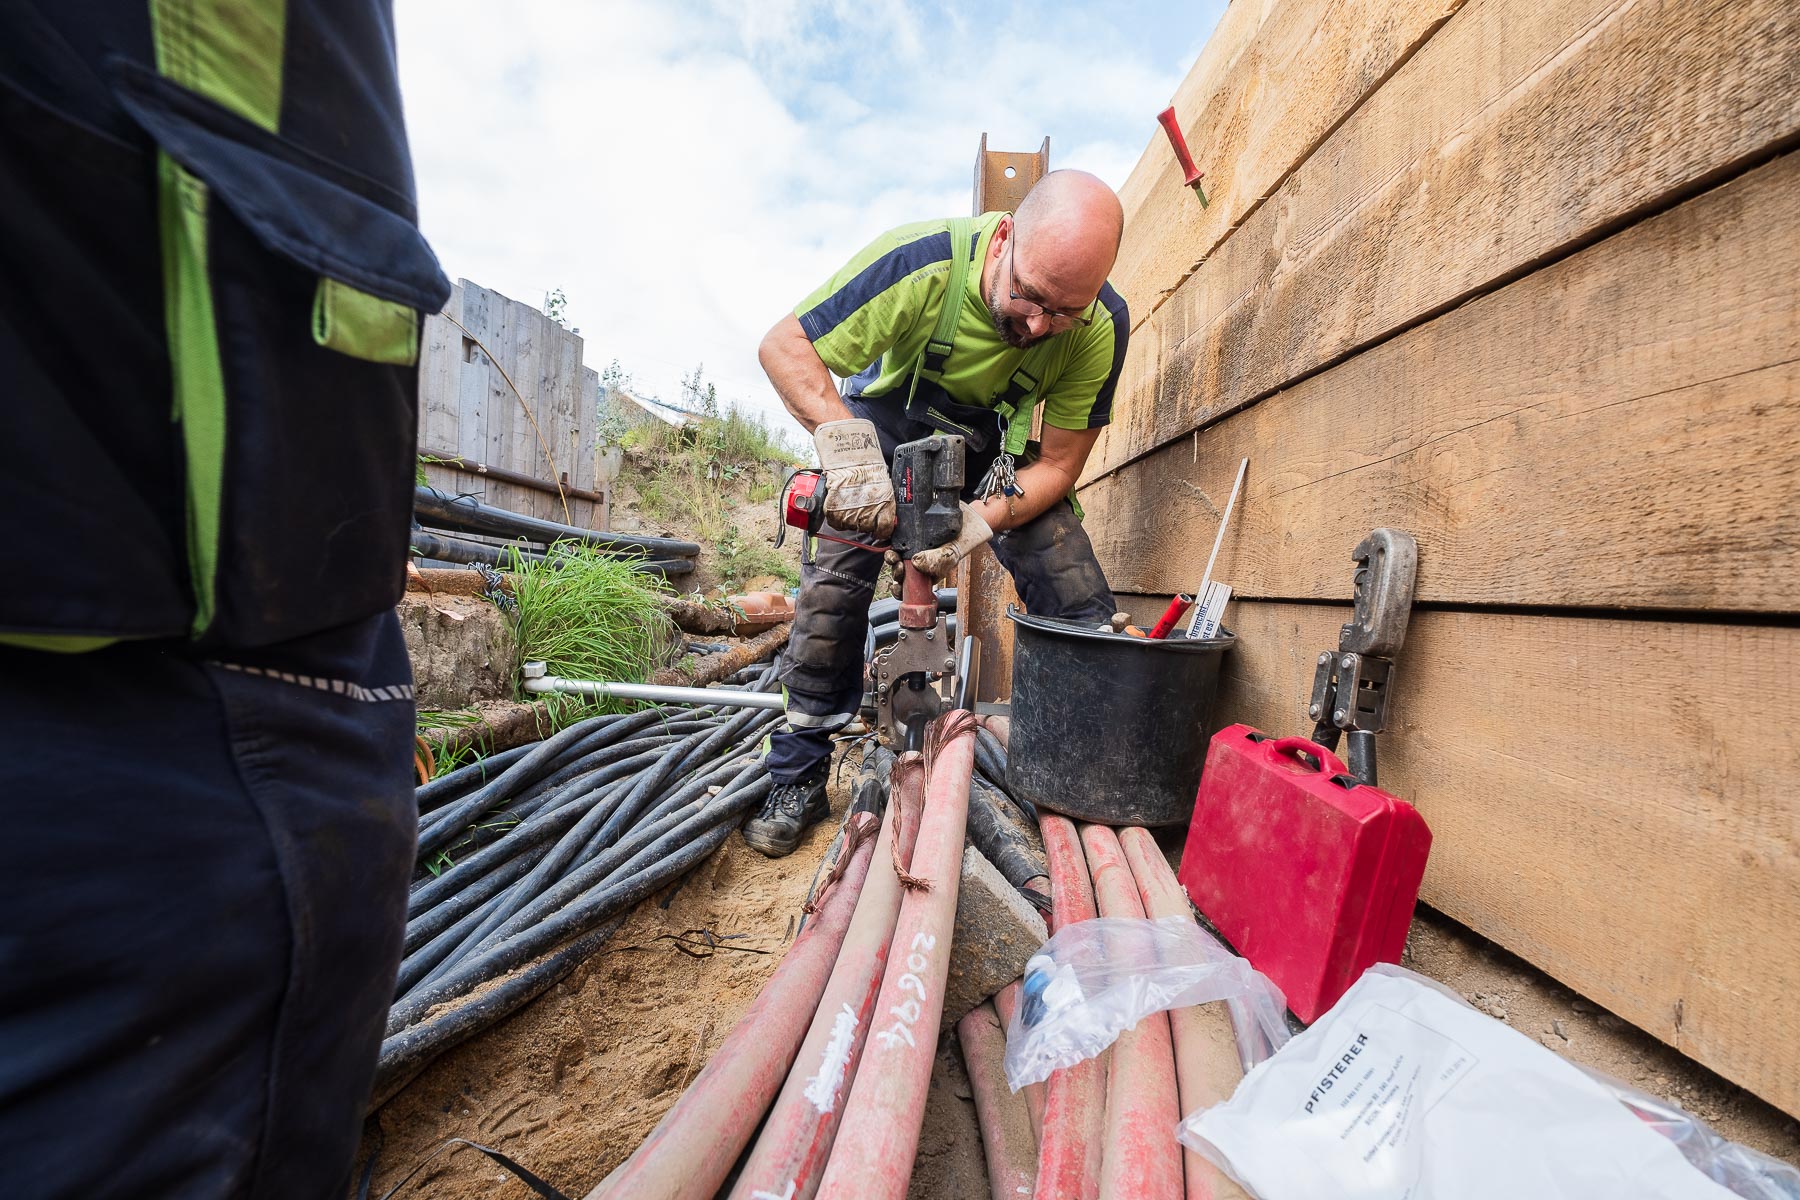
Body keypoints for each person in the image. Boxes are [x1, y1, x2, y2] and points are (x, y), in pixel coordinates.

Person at [0, 2, 448, 1195]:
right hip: (186, 631)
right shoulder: (911, 282)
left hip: (220, 634)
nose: (1024, 323)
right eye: (1021, 297)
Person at [742, 170, 1129, 857]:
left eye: (1063, 312)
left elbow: (1060, 466)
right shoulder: (922, 263)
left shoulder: (1100, 325)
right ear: (1003, 238)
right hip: (884, 434)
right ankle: (796, 771)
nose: (1040, 326)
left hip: (993, 454)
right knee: (835, 586)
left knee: (1070, 578)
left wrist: (984, 519)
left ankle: (1083, 769)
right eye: (1029, 297)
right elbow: (785, 347)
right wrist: (857, 467)